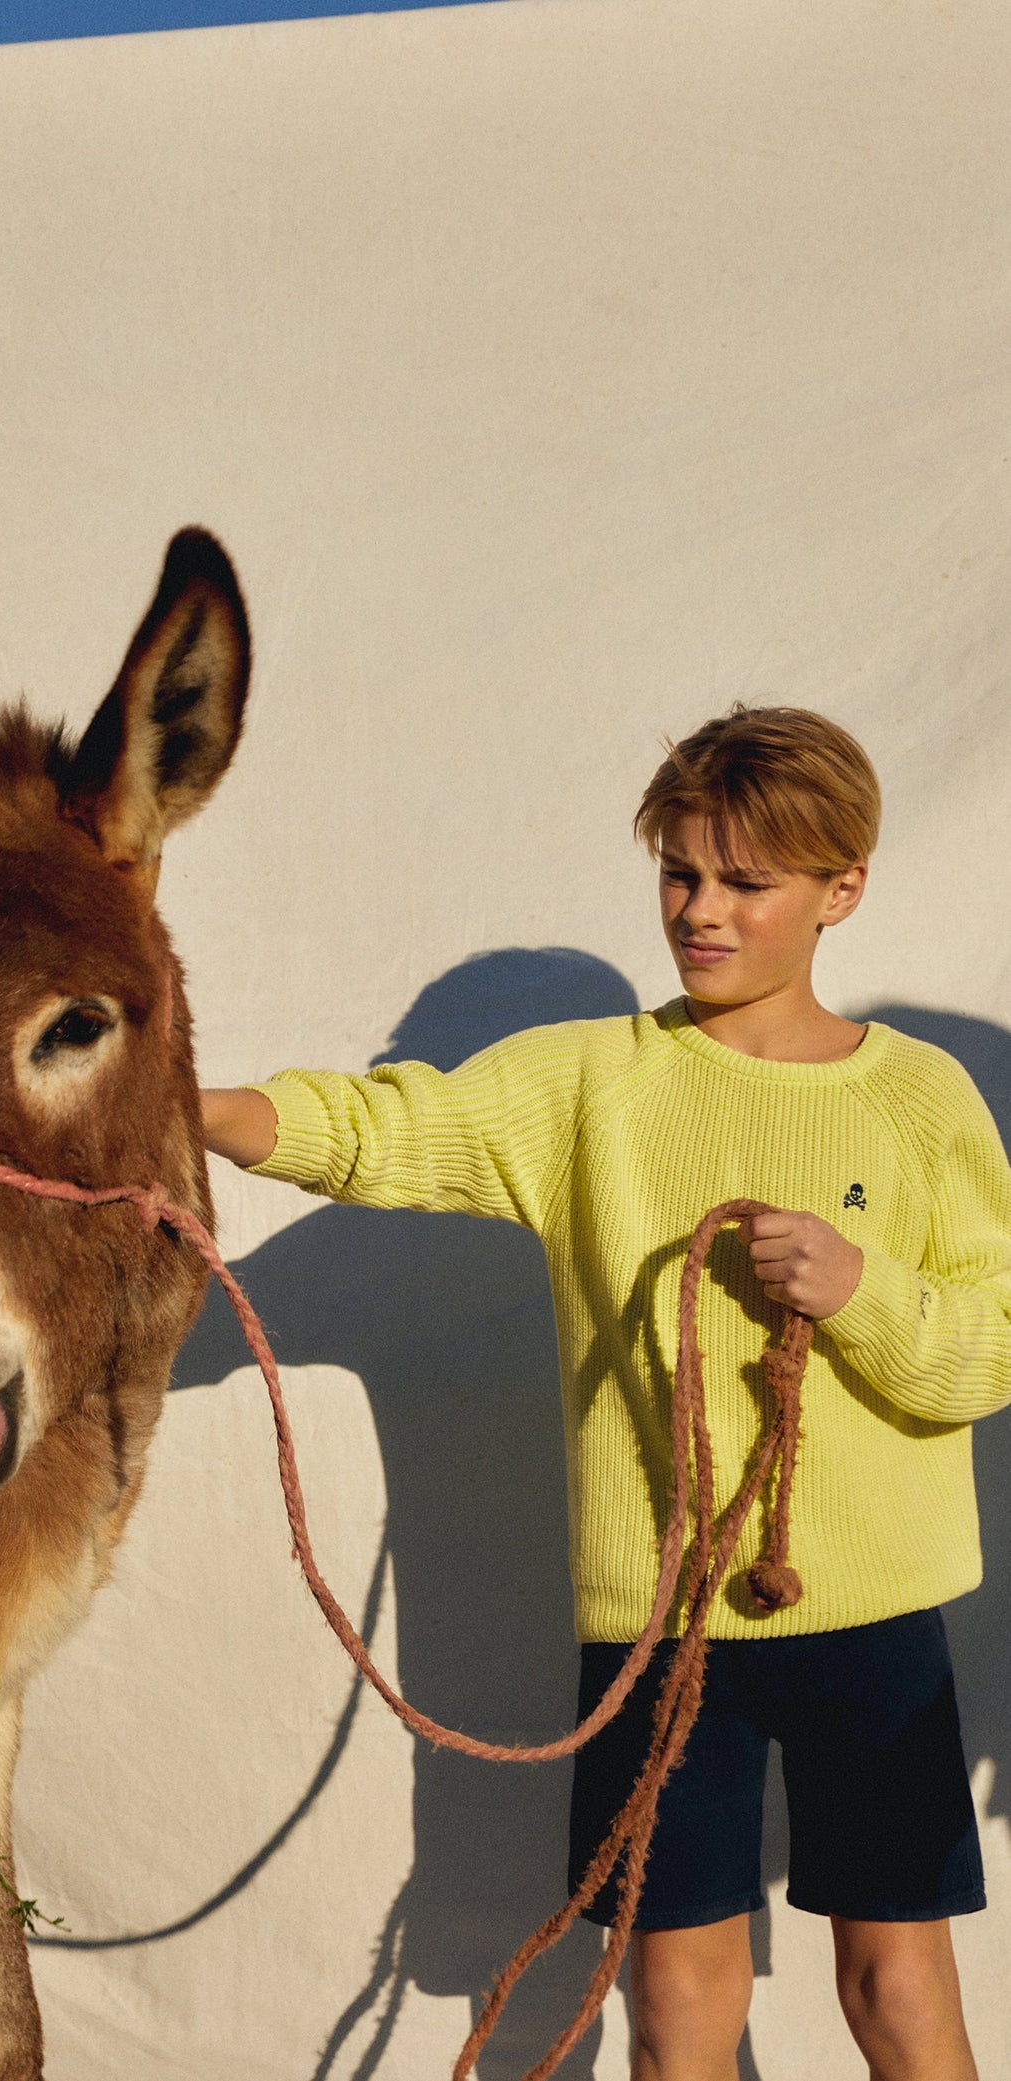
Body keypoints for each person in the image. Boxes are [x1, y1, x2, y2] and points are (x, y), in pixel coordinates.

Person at [201, 704, 1006, 2081]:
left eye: (745, 881)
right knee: (673, 2001)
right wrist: (182, 1106)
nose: (700, 911)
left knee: (895, 1985)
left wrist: (858, 1289)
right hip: (657, 1623)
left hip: (873, 1621)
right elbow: (389, 1127)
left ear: (841, 890)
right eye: (679, 873)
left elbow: (987, 1353)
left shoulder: (920, 1099)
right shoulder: (590, 1080)